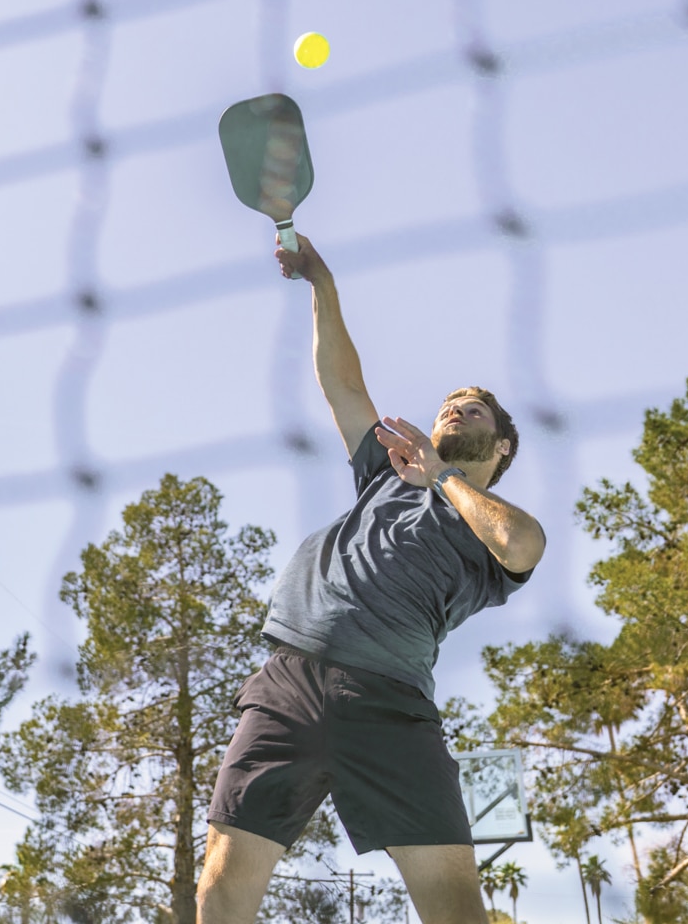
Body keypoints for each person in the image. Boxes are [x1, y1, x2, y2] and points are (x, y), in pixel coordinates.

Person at [196, 235, 546, 924]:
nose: (457, 408)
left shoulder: (487, 525)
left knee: (455, 909)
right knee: (220, 890)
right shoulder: (382, 476)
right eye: (450, 403)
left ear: (501, 446)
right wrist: (322, 283)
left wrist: (440, 475)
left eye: (475, 409)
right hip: (287, 687)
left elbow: (523, 543)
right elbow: (343, 385)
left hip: (392, 706)